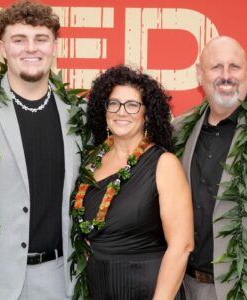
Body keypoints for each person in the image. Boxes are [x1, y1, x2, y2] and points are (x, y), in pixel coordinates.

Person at [0, 1, 82, 299]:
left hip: (59, 280)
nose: (31, 49)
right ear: (2, 48)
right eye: (19, 40)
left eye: (41, 39)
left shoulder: (79, 114)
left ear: (55, 46)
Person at [70, 65, 194, 299]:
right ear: (104, 110)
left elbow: (182, 246)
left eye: (132, 105)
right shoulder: (90, 163)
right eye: (114, 103)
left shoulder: (164, 164)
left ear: (147, 114)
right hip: (98, 289)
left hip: (147, 289)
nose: (121, 112)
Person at [173, 36, 247, 300]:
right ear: (199, 75)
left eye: (234, 67)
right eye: (216, 67)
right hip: (187, 286)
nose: (226, 76)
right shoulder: (179, 130)